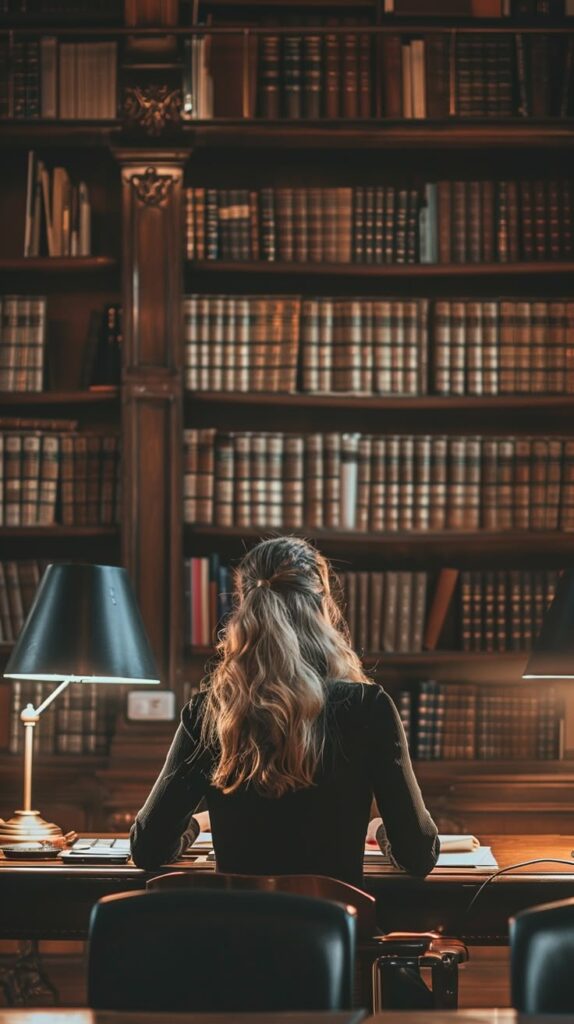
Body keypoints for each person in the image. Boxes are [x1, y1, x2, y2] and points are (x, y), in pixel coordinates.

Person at [130, 536, 439, 884]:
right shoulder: (369, 708)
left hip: (235, 937)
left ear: (244, 605)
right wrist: (381, 829)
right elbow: (418, 854)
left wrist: (196, 824)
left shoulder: (209, 712)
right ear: (322, 608)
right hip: (331, 936)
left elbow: (148, 849)